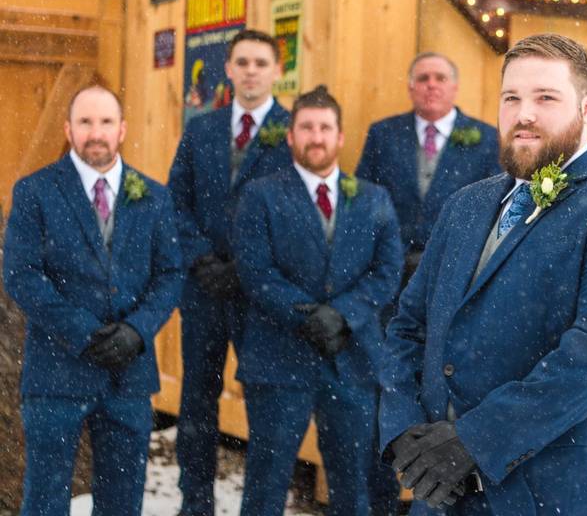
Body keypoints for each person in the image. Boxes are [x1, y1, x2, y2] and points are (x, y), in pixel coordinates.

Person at [379, 33, 587, 515]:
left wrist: (475, 440)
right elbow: (408, 327)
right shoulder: (466, 206)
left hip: (558, 491)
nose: (525, 113)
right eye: (511, 98)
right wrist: (406, 433)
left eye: (546, 98)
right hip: (443, 494)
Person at [3, 85, 183, 514]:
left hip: (129, 375)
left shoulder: (154, 197)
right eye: (85, 122)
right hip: (56, 373)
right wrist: (84, 332)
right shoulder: (36, 192)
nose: (95, 132)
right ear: (68, 129)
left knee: (121, 503)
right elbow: (20, 275)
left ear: (122, 130)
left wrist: (137, 331)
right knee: (46, 501)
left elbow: (171, 274)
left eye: (105, 122)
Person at [232, 88, 404, 516]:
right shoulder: (261, 195)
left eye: (325, 127)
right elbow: (255, 271)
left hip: (352, 361)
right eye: (306, 127)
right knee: (266, 482)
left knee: (351, 484)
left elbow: (387, 271)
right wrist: (308, 319)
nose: (316, 136)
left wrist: (342, 316)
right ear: (291, 136)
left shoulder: (372, 199)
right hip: (278, 360)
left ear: (340, 137)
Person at [167, 29, 292, 515]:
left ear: (277, 70)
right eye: (242, 62)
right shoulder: (202, 130)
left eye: (261, 62)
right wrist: (202, 258)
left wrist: (247, 267)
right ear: (229, 68)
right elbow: (175, 202)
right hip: (203, 291)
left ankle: (259, 506)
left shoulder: (295, 130)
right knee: (198, 402)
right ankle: (194, 502)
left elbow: (300, 213)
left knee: (267, 406)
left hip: (262, 296)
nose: (251, 71)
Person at [356, 52, 501, 283]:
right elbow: (363, 198)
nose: (431, 85)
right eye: (423, 79)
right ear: (411, 88)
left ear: (454, 87)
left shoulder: (488, 139)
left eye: (440, 78)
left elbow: (494, 206)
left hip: (455, 269)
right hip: (390, 268)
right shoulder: (382, 134)